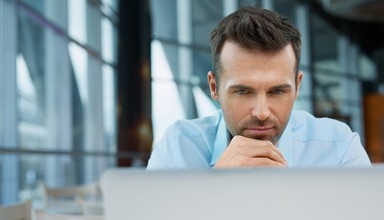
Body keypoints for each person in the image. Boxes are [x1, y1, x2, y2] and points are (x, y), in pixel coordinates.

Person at [147, 6, 371, 169]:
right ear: (214, 87)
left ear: (297, 85)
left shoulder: (339, 146)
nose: (262, 113)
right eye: (243, 91)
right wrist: (215, 185)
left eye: (277, 91)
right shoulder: (177, 148)